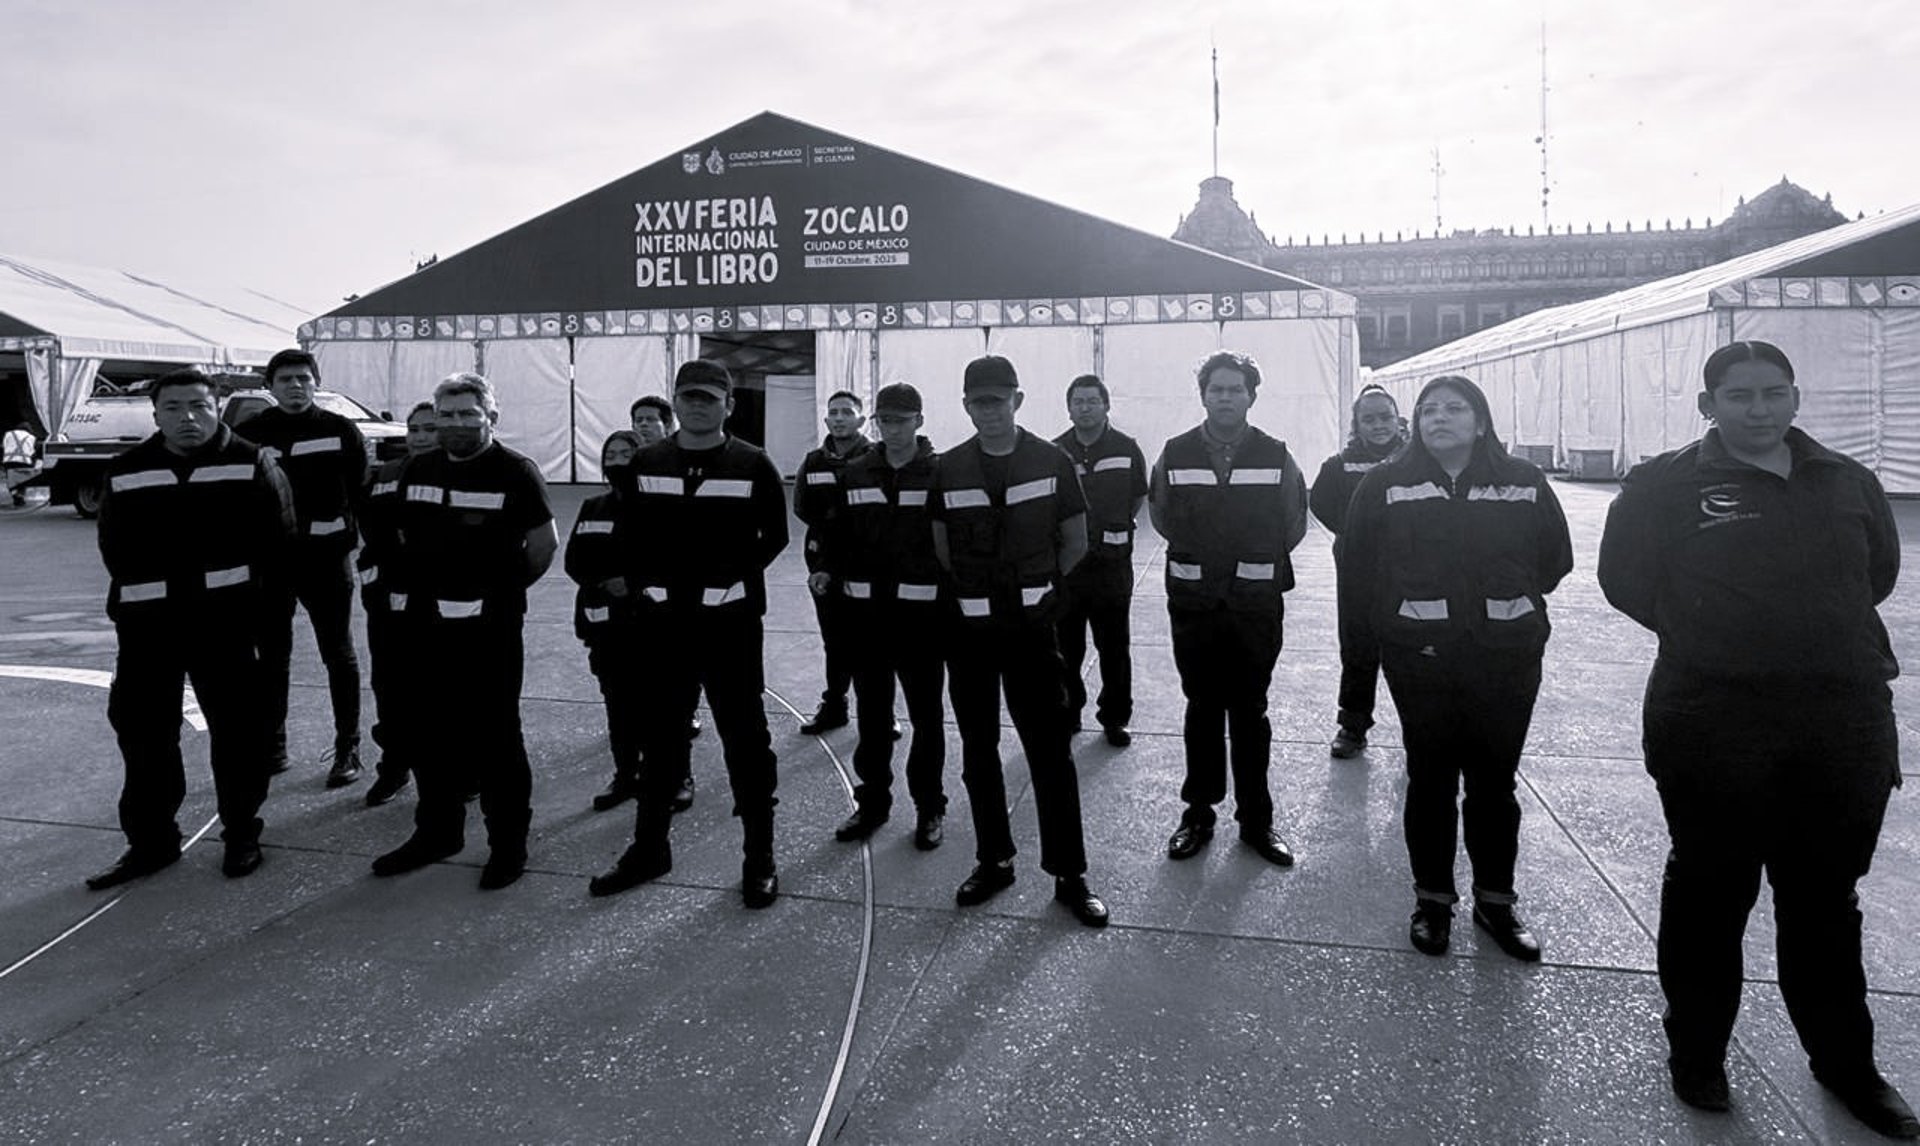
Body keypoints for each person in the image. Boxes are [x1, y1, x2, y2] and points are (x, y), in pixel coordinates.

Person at [1597, 340, 1918, 1137]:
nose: (1759, 409)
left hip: (1839, 721)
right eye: (1739, 395)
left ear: (1794, 397)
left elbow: (1875, 573)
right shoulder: (1663, 486)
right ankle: (1698, 1052)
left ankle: (1846, 1064)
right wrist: (1714, 636)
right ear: (1707, 404)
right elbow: (1625, 581)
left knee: (1824, 902)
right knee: (1711, 891)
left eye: (1773, 392)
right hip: (1713, 719)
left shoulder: (1847, 481)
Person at [1339, 374, 1571, 962]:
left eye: (1455, 409)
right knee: (1432, 778)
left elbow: (1554, 559)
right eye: (1428, 411)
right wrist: (1392, 627)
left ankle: (1497, 903)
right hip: (1421, 657)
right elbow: (1357, 562)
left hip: (1506, 657)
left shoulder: (1522, 481)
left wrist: (1501, 606)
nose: (1439, 418)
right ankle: (1433, 902)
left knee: (1494, 784)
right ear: (1413, 424)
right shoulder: (1385, 483)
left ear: (1481, 420)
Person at [589, 360, 789, 908]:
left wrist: (722, 574)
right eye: (688, 396)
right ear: (676, 402)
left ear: (728, 405)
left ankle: (759, 857)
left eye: (708, 398)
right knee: (661, 740)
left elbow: (774, 537)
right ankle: (649, 849)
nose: (697, 405)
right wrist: (650, 582)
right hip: (664, 627)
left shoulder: (753, 464)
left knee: (746, 743)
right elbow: (627, 534)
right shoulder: (648, 461)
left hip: (729, 626)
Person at [87, 368, 294, 888]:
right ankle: (151, 842)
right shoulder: (128, 468)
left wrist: (266, 629)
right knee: (143, 737)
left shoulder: (251, 462)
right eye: (174, 408)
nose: (187, 418)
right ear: (156, 415)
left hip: (225, 628)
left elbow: (279, 548)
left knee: (238, 736)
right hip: (147, 630)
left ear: (217, 408)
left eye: (199, 406)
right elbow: (113, 547)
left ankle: (242, 833)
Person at [929, 354, 1109, 928]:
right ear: (967, 407)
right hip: (972, 633)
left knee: (1050, 754)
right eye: (980, 402)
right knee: (979, 754)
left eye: (999, 400)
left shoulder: (1051, 460)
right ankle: (994, 860)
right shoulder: (950, 468)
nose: (990, 410)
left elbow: (1075, 539)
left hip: (1033, 631)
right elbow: (941, 546)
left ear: (1018, 401)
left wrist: (1039, 589)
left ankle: (1069, 874)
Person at [371, 372, 556, 890]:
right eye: (446, 415)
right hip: (426, 625)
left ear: (490, 418)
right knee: (430, 733)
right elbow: (403, 534)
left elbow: (542, 546)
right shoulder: (418, 469)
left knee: (496, 739)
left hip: (488, 628)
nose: (455, 424)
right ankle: (437, 833)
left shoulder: (516, 472)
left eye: (467, 414)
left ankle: (508, 844)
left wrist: (499, 593)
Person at [1147, 351, 1306, 868]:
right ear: (1203, 395)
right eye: (1216, 388)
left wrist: (1247, 562)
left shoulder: (1276, 455)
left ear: (1251, 396)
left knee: (1250, 709)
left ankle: (1256, 820)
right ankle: (1198, 813)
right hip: (1194, 602)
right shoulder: (1175, 453)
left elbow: (1293, 522)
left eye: (1235, 389)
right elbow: (1163, 515)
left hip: (1254, 604)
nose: (1225, 397)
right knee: (1201, 705)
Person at [824, 382, 949, 849]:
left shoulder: (939, 473)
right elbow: (838, 537)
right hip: (868, 619)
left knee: (927, 719)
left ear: (919, 420)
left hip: (922, 621)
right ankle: (873, 802)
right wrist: (827, 575)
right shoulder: (856, 473)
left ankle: (929, 806)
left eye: (900, 419)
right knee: (873, 718)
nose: (892, 428)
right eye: (884, 420)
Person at [237, 349, 368, 789]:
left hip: (327, 562)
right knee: (272, 658)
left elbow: (361, 494)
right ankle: (273, 745)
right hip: (272, 565)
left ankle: (348, 746)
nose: (296, 386)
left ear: (316, 383)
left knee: (339, 654)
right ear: (269, 387)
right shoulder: (250, 435)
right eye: (286, 379)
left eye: (304, 379)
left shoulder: (340, 431)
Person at [566, 430, 695, 815]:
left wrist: (633, 581)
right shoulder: (593, 506)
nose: (618, 461)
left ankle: (679, 777)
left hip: (655, 624)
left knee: (665, 709)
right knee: (618, 705)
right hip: (607, 626)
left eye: (627, 453)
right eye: (612, 454)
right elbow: (575, 560)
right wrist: (604, 581)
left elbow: (677, 560)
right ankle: (626, 774)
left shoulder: (665, 507)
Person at [1309, 384, 1408, 759]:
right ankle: (1353, 725)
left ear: (1398, 420)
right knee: (1358, 647)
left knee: (1413, 650)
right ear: (1356, 424)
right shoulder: (1339, 466)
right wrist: (1352, 533)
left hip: (1412, 572)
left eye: (1385, 417)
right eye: (1369, 419)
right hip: (1358, 573)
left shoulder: (1418, 462)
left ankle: (1423, 729)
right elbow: (1319, 502)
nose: (1378, 425)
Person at [1052, 374, 1148, 747]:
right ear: (1069, 407)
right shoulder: (1057, 451)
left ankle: (1115, 718)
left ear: (1107, 405)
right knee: (1067, 648)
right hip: (1071, 566)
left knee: (1114, 647)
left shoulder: (1127, 448)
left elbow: (1138, 496)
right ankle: (1069, 711)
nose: (1086, 407)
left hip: (1111, 567)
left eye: (1093, 400)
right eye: (1078, 401)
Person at [356, 401, 438, 807]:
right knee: (389, 686)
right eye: (415, 430)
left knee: (442, 691)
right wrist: (374, 585)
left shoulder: (456, 473)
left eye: (430, 429)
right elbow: (370, 535)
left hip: (439, 603)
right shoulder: (387, 474)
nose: (420, 437)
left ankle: (460, 769)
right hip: (388, 602)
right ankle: (394, 767)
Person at [793, 389, 874, 735]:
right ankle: (835, 705)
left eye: (846, 412)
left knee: (871, 638)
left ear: (861, 418)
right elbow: (801, 507)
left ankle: (878, 710)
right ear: (826, 420)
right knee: (835, 638)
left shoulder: (875, 459)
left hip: (866, 563)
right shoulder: (813, 462)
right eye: (834, 413)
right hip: (823, 563)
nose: (839, 418)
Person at [3, 420, 37, 506]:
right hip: (24, 462)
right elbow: (33, 452)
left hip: (9, 462)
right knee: (23, 480)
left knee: (11, 480)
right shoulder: (32, 437)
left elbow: (4, 446)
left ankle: (15, 494)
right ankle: (20, 495)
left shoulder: (8, 434)